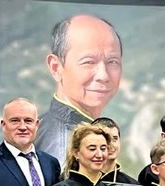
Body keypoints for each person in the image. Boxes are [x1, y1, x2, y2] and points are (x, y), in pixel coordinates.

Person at [35, 14, 123, 162]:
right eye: (89, 62)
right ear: (56, 67)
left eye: (112, 62)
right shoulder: (63, 146)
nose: (103, 75)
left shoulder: (48, 126)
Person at [91, 117, 139, 184]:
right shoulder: (79, 182)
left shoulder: (131, 185)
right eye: (106, 139)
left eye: (115, 139)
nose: (111, 145)